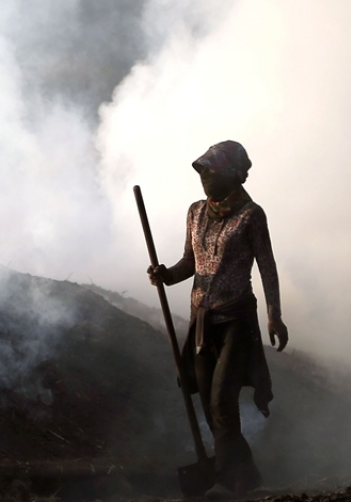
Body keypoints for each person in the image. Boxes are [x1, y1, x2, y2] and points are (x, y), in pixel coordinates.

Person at [148, 140, 288, 499]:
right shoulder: (195, 212)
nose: (204, 176)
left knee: (222, 402)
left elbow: (267, 268)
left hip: (236, 320)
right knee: (211, 406)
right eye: (202, 169)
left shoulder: (251, 215)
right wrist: (165, 275)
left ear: (231, 173)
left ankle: (227, 480)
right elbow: (190, 263)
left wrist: (274, 316)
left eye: (211, 169)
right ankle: (243, 474)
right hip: (202, 323)